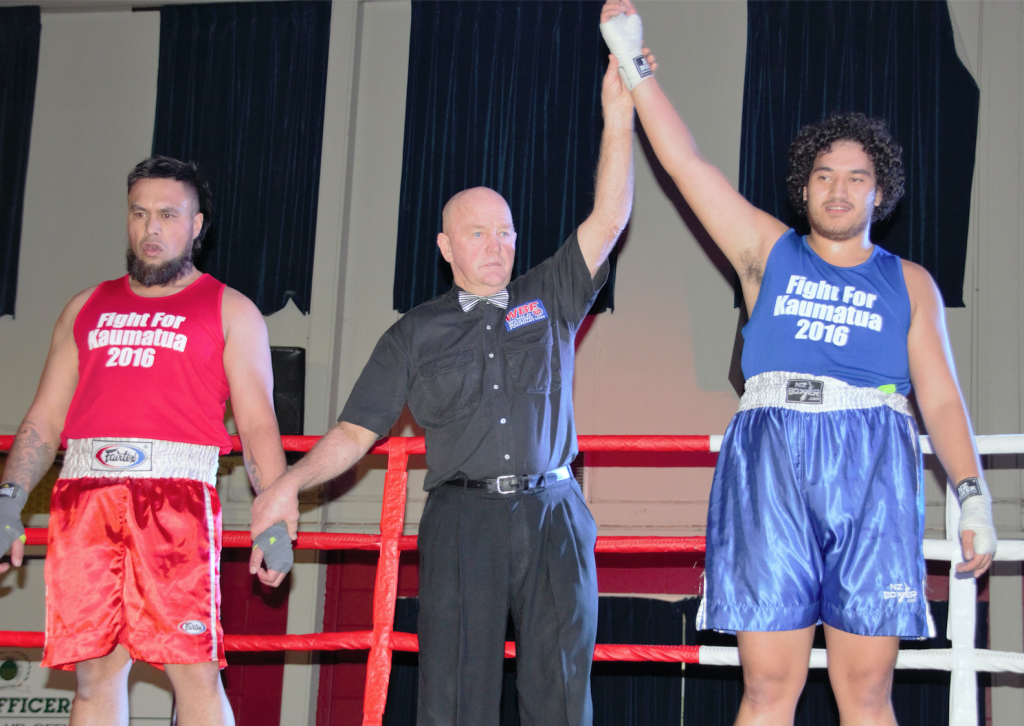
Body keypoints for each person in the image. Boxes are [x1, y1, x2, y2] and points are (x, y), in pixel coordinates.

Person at [599, 2, 997, 724]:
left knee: (869, 692)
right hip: (772, 457)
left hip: (873, 461)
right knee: (767, 690)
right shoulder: (765, 250)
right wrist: (632, 59)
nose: (838, 188)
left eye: (855, 176)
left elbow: (939, 398)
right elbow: (687, 165)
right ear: (804, 187)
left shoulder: (910, 283)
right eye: (823, 175)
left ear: (880, 192)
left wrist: (973, 497)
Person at [249, 58, 634, 726]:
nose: (497, 244)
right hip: (463, 524)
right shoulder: (415, 333)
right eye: (477, 232)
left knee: (563, 694)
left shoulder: (552, 293)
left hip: (555, 514)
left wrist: (620, 112)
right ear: (445, 246)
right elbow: (353, 433)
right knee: (455, 700)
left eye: (506, 230)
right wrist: (286, 487)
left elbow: (611, 214)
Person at [0, 156, 287, 726]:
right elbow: (44, 419)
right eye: (139, 213)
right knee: (94, 675)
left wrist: (274, 515)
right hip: (85, 496)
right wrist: (9, 497)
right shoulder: (84, 307)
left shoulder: (231, 310)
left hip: (175, 501)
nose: (151, 228)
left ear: (197, 225)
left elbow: (256, 425)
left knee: (195, 673)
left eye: (167, 214)